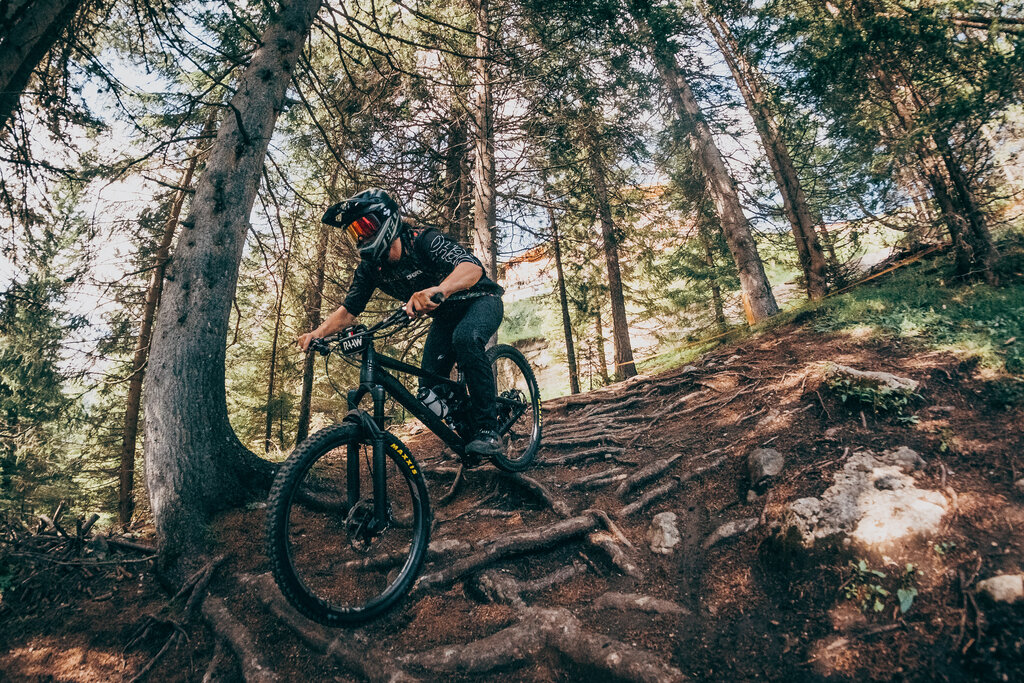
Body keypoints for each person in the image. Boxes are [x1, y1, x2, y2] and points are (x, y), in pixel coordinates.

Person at [297, 188, 505, 462]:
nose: (361, 236)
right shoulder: (371, 268)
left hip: (481, 300)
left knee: (465, 338)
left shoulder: (424, 241)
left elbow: (472, 268)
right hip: (445, 317)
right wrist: (317, 333)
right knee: (429, 387)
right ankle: (468, 433)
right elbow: (348, 311)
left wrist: (440, 289)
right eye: (355, 232)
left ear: (388, 221)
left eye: (365, 226)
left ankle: (489, 429)